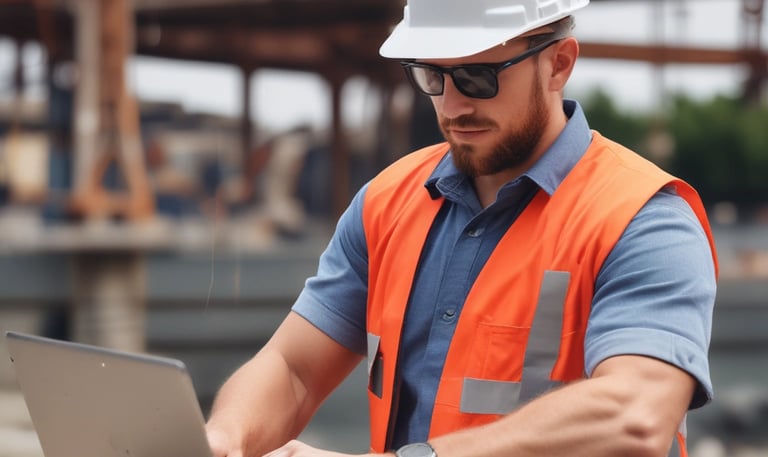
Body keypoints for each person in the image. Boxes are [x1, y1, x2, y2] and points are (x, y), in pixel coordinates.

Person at [204, 1, 718, 456]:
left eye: (478, 77)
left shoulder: (642, 220)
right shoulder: (387, 204)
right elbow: (293, 369)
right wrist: (224, 438)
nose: (452, 106)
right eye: (432, 75)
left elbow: (635, 416)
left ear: (558, 64)